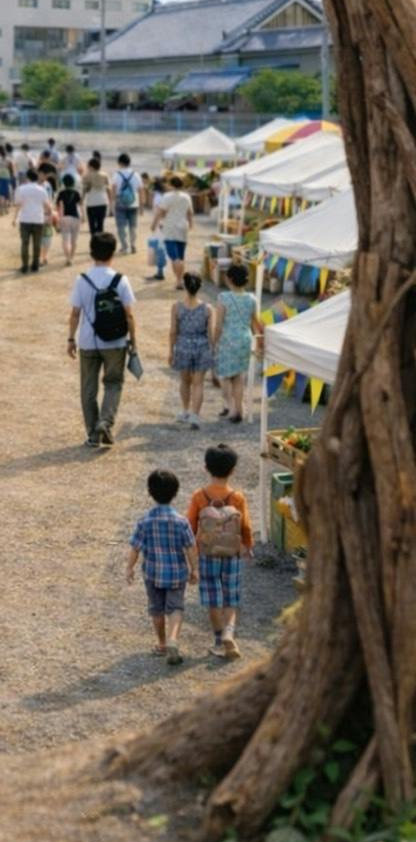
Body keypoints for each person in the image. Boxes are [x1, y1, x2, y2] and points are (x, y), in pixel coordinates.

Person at [67, 231, 137, 448]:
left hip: (88, 341)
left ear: (91, 253)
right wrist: (133, 341)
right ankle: (105, 421)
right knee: (113, 383)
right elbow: (129, 315)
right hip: (115, 341)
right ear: (113, 253)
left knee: (88, 388)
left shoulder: (82, 280)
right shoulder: (121, 280)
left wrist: (71, 339)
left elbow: (75, 313)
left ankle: (92, 434)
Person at [186, 444, 253, 658]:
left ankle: (218, 639)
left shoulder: (199, 496)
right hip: (231, 554)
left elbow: (190, 526)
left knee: (213, 598)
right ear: (233, 470)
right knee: (230, 597)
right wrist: (248, 546)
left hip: (207, 554)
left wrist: (190, 554)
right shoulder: (237, 497)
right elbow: (246, 526)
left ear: (206, 468)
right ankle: (229, 633)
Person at [126, 470, 199, 665]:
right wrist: (195, 569)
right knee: (175, 608)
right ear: (175, 493)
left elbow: (135, 547)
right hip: (176, 574)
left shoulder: (144, 521)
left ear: (150, 492)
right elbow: (190, 547)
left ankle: (162, 643)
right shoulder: (181, 522)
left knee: (156, 609)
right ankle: (173, 638)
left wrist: (129, 568)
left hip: (152, 574)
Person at [214, 261, 264, 422]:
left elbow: (219, 325)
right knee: (238, 376)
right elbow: (255, 323)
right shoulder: (251, 298)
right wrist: (261, 342)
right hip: (245, 339)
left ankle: (231, 407)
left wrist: (213, 342)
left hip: (228, 340)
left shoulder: (223, 298)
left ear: (229, 279)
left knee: (224, 376)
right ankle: (239, 409)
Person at [169, 272, 213, 429]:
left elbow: (173, 331)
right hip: (202, 346)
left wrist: (171, 351)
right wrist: (213, 351)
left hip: (183, 345)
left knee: (185, 381)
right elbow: (210, 334)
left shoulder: (176, 307)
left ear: (185, 286)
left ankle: (185, 411)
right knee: (198, 383)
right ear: (200, 287)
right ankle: (195, 415)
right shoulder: (207, 308)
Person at [152, 174, 194, 289]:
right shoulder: (186, 197)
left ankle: (179, 281)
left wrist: (154, 224)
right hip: (183, 228)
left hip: (170, 228)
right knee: (181, 257)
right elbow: (190, 213)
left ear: (171, 185)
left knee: (174, 257)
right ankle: (179, 280)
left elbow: (160, 212)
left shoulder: (167, 196)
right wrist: (191, 225)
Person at [12, 168, 52, 273]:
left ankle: (25, 266)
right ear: (37, 177)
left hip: (25, 219)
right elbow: (47, 206)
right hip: (38, 219)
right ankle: (35, 265)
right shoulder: (42, 190)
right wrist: (49, 216)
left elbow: (18, 204)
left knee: (25, 243)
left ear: (27, 177)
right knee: (37, 244)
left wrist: (15, 218)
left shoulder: (21, 189)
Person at [113, 152, 144, 255]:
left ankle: (124, 246)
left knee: (121, 226)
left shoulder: (117, 174)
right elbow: (141, 190)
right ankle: (133, 245)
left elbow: (113, 190)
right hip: (134, 202)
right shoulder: (136, 174)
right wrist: (142, 206)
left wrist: (112, 204)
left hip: (120, 203)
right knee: (133, 225)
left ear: (120, 162)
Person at [144, 174, 168, 282]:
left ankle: (160, 272)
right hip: (164, 224)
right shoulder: (165, 196)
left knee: (160, 248)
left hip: (160, 224)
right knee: (161, 247)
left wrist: (154, 224)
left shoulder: (158, 197)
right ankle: (160, 270)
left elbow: (159, 212)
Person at [56, 173, 82, 265]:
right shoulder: (77, 193)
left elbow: (59, 207)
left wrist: (58, 220)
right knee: (74, 241)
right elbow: (80, 206)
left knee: (65, 240)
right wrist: (83, 218)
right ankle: (71, 257)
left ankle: (67, 258)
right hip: (76, 217)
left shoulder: (61, 193)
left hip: (65, 217)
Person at [82, 156, 111, 237]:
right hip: (103, 201)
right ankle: (100, 242)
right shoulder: (105, 175)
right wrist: (110, 200)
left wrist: (81, 200)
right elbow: (109, 189)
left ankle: (94, 241)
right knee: (100, 224)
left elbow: (84, 190)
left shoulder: (86, 176)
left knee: (92, 226)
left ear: (91, 166)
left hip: (91, 203)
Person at [0, 147, 14, 214]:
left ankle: (0, 210)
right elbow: (11, 168)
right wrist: (12, 175)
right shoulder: (8, 159)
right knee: (6, 194)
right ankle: (6, 209)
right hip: (6, 176)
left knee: (0, 194)